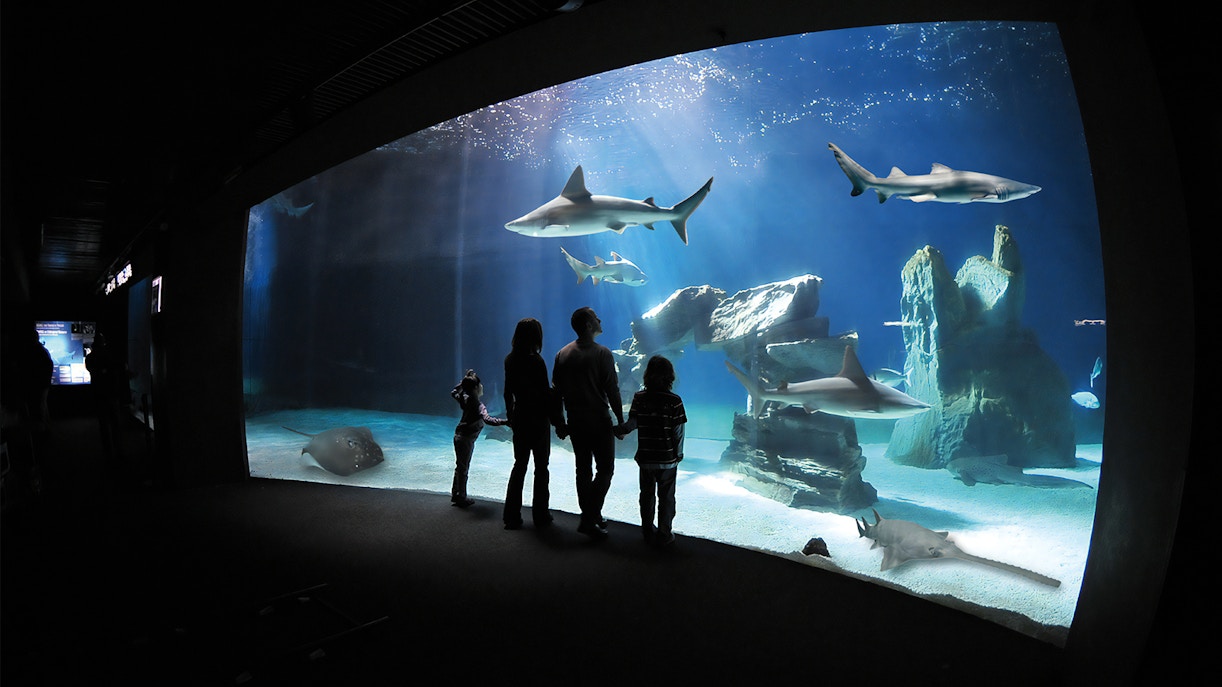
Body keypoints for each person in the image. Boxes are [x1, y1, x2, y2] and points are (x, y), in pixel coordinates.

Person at [551, 307, 624, 538]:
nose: (600, 319)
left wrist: (559, 423)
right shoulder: (603, 353)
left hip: (575, 422)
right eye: (595, 317)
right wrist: (621, 421)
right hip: (599, 421)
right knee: (605, 469)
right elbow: (612, 390)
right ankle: (590, 515)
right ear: (588, 325)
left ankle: (591, 515)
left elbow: (556, 393)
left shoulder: (562, 354)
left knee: (582, 470)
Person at [618, 355, 687, 546]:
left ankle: (647, 530)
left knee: (646, 495)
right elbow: (678, 431)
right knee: (666, 497)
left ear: (647, 375)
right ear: (669, 376)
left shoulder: (640, 398)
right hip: (667, 459)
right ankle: (665, 533)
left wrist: (622, 430)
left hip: (646, 457)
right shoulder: (675, 401)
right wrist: (678, 454)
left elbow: (633, 422)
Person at [501, 318, 561, 530]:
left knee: (519, 465)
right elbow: (545, 393)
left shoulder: (510, 359)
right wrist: (556, 419)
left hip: (520, 415)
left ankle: (511, 516)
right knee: (541, 467)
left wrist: (511, 416)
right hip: (538, 418)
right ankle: (540, 514)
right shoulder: (536, 361)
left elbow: (507, 392)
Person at [450, 369, 508, 508]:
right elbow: (488, 420)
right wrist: (506, 421)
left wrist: (463, 382)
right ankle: (461, 497)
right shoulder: (479, 405)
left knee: (460, 466)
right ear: (476, 388)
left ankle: (455, 494)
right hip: (467, 439)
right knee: (464, 468)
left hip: (458, 436)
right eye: (480, 384)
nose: (482, 386)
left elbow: (453, 392)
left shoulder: (465, 399)